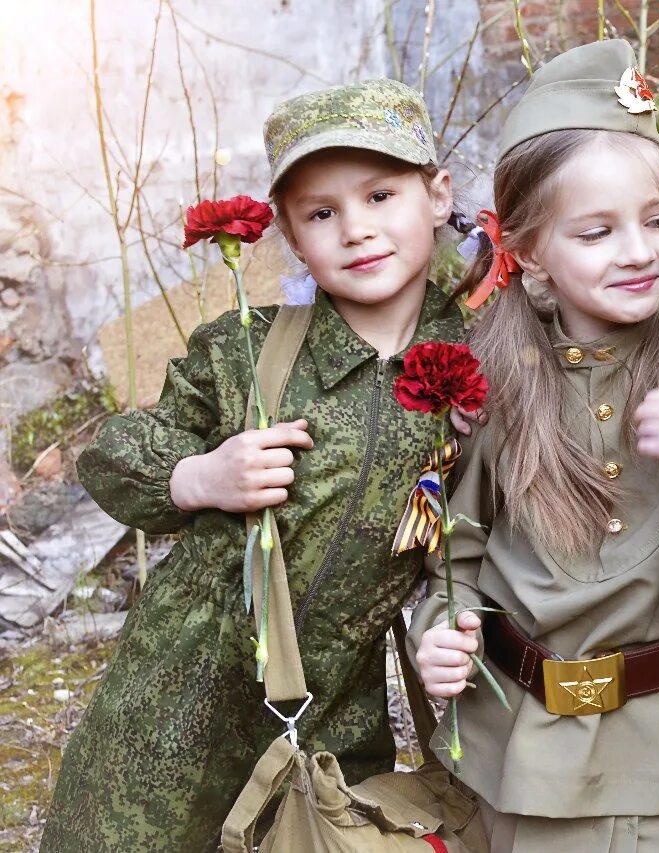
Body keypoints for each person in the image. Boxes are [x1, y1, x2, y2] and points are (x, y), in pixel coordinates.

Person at [42, 78, 474, 851]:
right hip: (169, 721)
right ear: (289, 234)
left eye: (380, 195)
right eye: (322, 212)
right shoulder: (248, 350)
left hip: (329, 731)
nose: (356, 230)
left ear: (438, 195)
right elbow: (108, 457)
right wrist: (201, 476)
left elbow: (483, 540)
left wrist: (441, 626)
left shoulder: (478, 365)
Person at [408, 39, 659, 852]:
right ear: (530, 251)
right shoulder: (490, 377)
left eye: (656, 221)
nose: (639, 250)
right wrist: (439, 626)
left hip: (647, 760)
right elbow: (458, 547)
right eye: (597, 232)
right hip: (506, 743)